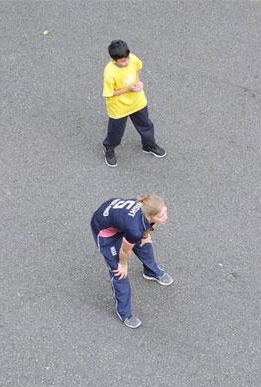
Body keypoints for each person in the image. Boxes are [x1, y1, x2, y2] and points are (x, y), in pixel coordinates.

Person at [90, 194, 174, 328]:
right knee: (119, 273)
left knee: (144, 244)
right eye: (161, 216)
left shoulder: (146, 208)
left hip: (122, 222)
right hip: (105, 232)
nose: (166, 217)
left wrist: (146, 235)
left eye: (165, 213)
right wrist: (123, 264)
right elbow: (125, 251)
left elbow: (148, 225)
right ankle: (124, 314)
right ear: (149, 216)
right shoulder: (134, 229)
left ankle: (151, 272)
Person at [102, 40, 166, 167]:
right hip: (119, 108)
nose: (126, 62)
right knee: (116, 133)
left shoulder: (133, 59)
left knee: (146, 124)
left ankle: (148, 145)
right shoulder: (109, 73)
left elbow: (137, 68)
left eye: (127, 58)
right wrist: (129, 89)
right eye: (122, 61)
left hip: (137, 101)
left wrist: (138, 82)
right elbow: (109, 94)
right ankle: (109, 148)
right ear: (114, 60)